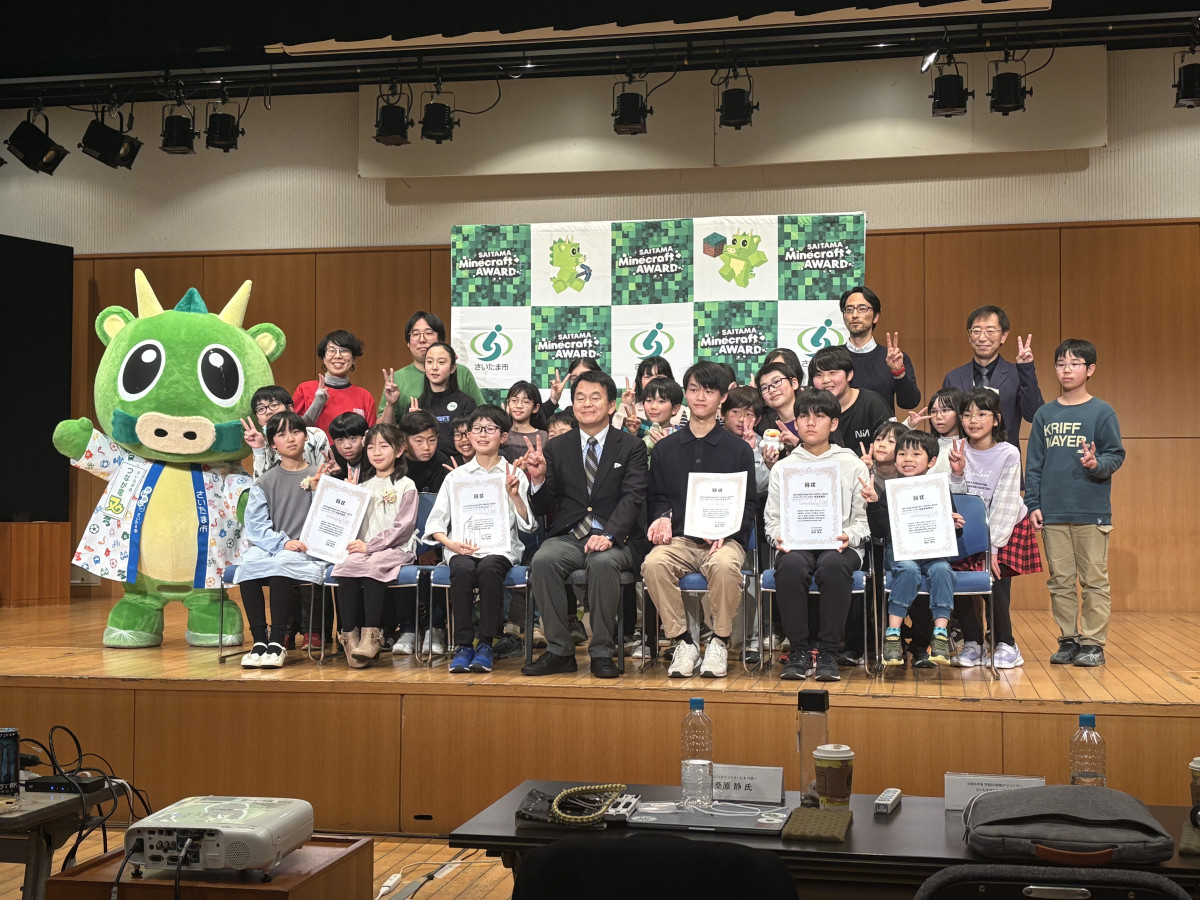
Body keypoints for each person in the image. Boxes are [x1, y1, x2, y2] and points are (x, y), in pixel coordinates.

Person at [521, 370, 648, 678]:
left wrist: (609, 534)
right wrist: (537, 481)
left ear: (612, 405)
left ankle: (602, 651)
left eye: (595, 397)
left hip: (617, 537)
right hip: (571, 536)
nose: (586, 404)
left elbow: (632, 497)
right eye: (580, 398)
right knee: (544, 559)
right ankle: (560, 651)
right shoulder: (556, 447)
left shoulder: (631, 446)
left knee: (602, 561)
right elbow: (545, 507)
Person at [642, 362, 757, 679]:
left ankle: (719, 641)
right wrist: (662, 518)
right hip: (680, 540)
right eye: (694, 390)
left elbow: (748, 503)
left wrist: (727, 530)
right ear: (685, 395)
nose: (701, 397)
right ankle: (683, 642)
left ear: (722, 398)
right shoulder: (665, 448)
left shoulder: (738, 449)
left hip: (724, 541)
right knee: (653, 563)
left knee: (724, 565)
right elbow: (658, 496)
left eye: (708, 391)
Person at [1024, 339, 1125, 668]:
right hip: (1053, 513)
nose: (1066, 370)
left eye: (1074, 363)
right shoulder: (1044, 414)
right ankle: (1068, 639)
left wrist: (1096, 464)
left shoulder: (1102, 411)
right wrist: (1033, 504)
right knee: (1060, 581)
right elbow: (1034, 464)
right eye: (1060, 364)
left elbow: (1115, 455)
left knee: (1094, 580)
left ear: (1090, 369)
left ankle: (1093, 642)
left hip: (1091, 512)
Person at [764, 389, 870, 681]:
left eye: (819, 416)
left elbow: (863, 520)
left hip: (841, 544)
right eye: (803, 416)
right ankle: (799, 650)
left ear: (833, 424)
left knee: (833, 565)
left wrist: (849, 535)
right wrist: (779, 537)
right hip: (797, 543)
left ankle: (828, 652)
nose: (810, 423)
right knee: (789, 565)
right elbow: (772, 519)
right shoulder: (784, 467)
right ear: (796, 422)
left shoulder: (852, 464)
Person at [425, 406, 536, 675]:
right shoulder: (456, 477)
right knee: (462, 568)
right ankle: (464, 646)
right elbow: (435, 524)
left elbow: (528, 525)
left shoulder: (513, 474)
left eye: (490, 429)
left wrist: (515, 496)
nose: (482, 434)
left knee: (488, 568)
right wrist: (450, 544)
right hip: (462, 548)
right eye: (476, 429)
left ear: (503, 436)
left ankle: (486, 643)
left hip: (499, 549)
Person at [860, 430, 963, 667]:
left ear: (932, 461)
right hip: (900, 554)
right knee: (908, 570)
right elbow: (879, 532)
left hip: (933, 553)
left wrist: (956, 526)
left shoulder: (939, 489)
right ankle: (893, 635)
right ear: (895, 459)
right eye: (902, 453)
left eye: (916, 454)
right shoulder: (890, 490)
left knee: (942, 571)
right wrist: (873, 504)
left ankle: (940, 634)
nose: (908, 459)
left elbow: (953, 530)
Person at [234, 412, 328, 669]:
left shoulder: (319, 476)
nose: (290, 438)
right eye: (282, 434)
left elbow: (327, 521)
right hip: (274, 546)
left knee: (281, 566)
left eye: (296, 432)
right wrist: (281, 543)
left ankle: (277, 641)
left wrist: (319, 491)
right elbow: (255, 526)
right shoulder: (265, 481)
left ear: (305, 437)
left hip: (306, 549)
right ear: (273, 444)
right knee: (248, 566)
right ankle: (259, 641)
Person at [331, 423, 419, 668]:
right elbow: (349, 524)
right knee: (346, 567)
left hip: (396, 548)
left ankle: (372, 637)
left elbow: (403, 527)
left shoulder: (406, 485)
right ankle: (350, 636)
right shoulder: (363, 486)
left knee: (373, 567)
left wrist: (371, 546)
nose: (377, 452)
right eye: (371, 447)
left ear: (399, 450)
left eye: (384, 446)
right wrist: (349, 497)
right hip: (364, 549)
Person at [392, 409, 453, 656]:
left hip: (436, 541)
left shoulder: (444, 464)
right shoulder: (395, 465)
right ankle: (408, 628)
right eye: (419, 441)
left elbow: (446, 514)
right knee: (399, 564)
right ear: (405, 442)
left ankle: (435, 628)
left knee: (437, 566)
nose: (427, 447)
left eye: (432, 440)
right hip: (401, 540)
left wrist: (431, 548)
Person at [941, 305, 1042, 450]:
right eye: (976, 331)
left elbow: (1033, 414)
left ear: (1004, 336)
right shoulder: (953, 378)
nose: (982, 338)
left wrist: (1026, 369)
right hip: (962, 459)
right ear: (969, 336)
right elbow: (946, 425)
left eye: (990, 331)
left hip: (1005, 458)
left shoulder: (1016, 374)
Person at [380, 311, 484, 420]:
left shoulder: (462, 372)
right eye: (415, 334)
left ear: (441, 340)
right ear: (408, 342)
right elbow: (383, 427)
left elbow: (482, 415)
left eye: (429, 333)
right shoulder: (396, 379)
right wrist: (391, 405)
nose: (422, 340)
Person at [839, 286, 920, 412]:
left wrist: (898, 373)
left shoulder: (893, 358)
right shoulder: (830, 358)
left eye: (862, 309)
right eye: (849, 310)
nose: (854, 315)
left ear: (876, 317)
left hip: (881, 425)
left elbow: (910, 403)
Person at [292, 330, 377, 437]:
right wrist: (317, 404)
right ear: (323, 357)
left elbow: (370, 437)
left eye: (344, 351)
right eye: (331, 350)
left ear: (354, 358)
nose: (337, 356)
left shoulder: (364, 396)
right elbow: (293, 431)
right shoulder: (304, 389)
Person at [808, 345, 893, 451]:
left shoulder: (872, 403)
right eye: (818, 375)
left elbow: (893, 444)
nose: (825, 380)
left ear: (849, 375)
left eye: (832, 373)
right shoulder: (811, 409)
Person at [242, 386, 330, 480]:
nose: (268, 412)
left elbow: (324, 477)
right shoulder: (265, 444)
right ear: (258, 420)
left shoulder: (315, 435)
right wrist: (259, 450)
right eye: (260, 409)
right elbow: (260, 486)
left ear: (290, 408)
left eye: (274, 405)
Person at [414, 342, 477, 458]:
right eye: (429, 362)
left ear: (452, 368)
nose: (434, 367)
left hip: (457, 465)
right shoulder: (415, 406)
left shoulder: (466, 403)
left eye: (441, 362)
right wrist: (413, 422)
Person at [905, 387, 964, 476]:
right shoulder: (926, 443)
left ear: (959, 412)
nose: (938, 416)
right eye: (933, 411)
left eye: (944, 410)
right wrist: (910, 425)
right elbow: (896, 446)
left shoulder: (970, 445)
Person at [637, 376, 686, 452]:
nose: (653, 407)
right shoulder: (638, 429)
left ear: (675, 409)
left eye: (661, 401)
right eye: (649, 400)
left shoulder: (682, 437)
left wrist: (666, 449)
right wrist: (632, 434)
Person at [503, 381, 547, 461]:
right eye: (514, 400)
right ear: (508, 403)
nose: (519, 405)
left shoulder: (544, 437)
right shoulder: (500, 435)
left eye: (526, 402)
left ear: (535, 408)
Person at [328, 412, 369, 483]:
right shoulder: (334, 455)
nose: (347, 446)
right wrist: (337, 475)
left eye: (353, 438)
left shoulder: (372, 457)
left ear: (365, 438)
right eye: (340, 440)